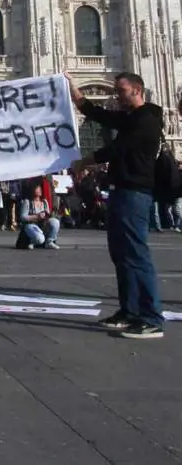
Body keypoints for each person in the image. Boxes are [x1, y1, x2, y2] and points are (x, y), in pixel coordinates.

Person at [67, 72, 165, 340]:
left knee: (136, 255)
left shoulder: (147, 119)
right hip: (121, 191)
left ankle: (151, 318)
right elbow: (98, 114)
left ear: (137, 90)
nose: (116, 96)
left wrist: (83, 161)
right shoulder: (131, 117)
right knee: (122, 255)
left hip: (135, 193)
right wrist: (72, 87)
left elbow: (118, 148)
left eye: (120, 91)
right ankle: (129, 311)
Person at [19, 183, 60, 249]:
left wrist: (50, 215)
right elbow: (22, 217)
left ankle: (49, 242)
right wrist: (37, 216)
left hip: (43, 225)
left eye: (40, 189)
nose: (40, 190)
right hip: (31, 225)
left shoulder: (44, 201)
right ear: (32, 190)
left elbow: (47, 214)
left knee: (55, 221)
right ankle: (32, 241)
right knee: (40, 239)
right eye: (37, 188)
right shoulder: (27, 202)